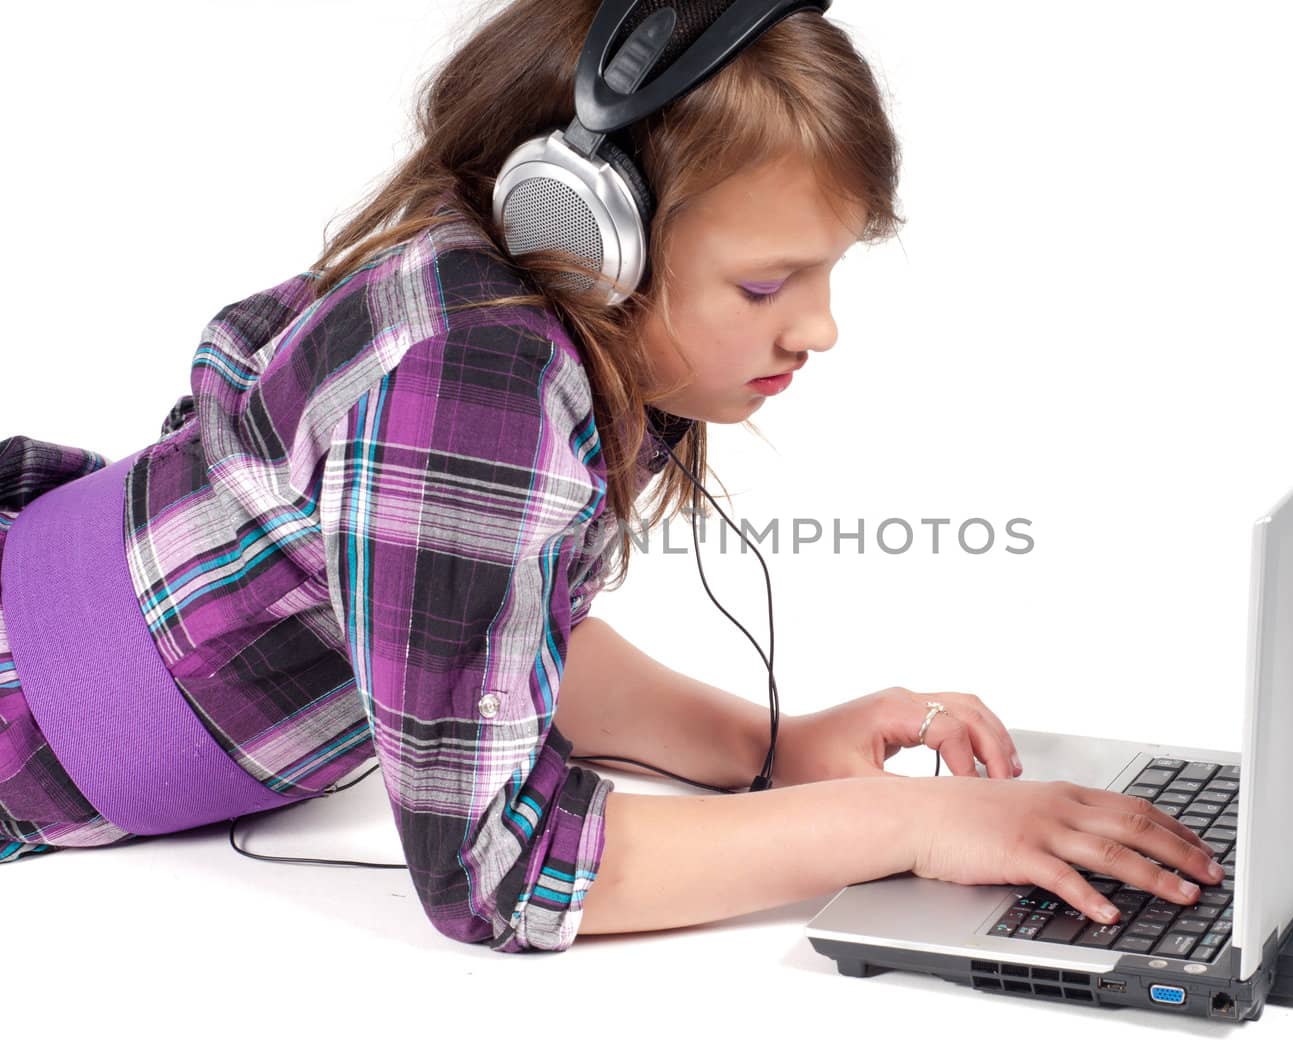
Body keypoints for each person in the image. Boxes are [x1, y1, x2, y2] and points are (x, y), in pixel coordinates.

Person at [0, 0, 1222, 952]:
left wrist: (770, 745)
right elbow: (497, 871)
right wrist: (914, 824)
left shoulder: (511, 311)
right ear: (590, 232)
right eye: (764, 285)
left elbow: (488, 638)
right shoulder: (471, 381)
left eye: (826, 275)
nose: (820, 331)